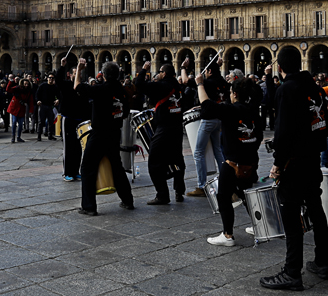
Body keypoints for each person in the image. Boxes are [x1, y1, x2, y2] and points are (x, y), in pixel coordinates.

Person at [259, 47, 328, 290]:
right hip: (313, 159)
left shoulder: (287, 89)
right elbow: (325, 122)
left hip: (294, 163)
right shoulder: (315, 88)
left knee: (291, 218)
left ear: (280, 67)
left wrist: (278, 164)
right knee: (316, 209)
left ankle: (292, 272)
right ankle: (322, 262)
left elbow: (283, 132)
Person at [196, 73, 261, 245]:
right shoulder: (254, 110)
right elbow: (259, 136)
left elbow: (207, 106)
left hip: (233, 163)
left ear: (234, 94)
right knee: (245, 194)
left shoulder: (231, 110)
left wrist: (200, 84)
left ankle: (227, 235)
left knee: (223, 196)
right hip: (251, 162)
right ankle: (259, 226)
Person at [73, 59, 135, 215]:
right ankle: (128, 200)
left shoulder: (101, 89)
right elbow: (125, 112)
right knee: (117, 167)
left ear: (104, 75)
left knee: (87, 167)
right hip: (115, 133)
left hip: (100, 133)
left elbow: (77, 87)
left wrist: (79, 70)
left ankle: (89, 206)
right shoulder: (122, 91)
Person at [136, 61, 189, 205]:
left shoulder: (162, 86)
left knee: (154, 161)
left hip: (164, 128)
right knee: (177, 159)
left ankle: (162, 194)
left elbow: (139, 85)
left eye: (160, 71)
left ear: (164, 73)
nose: (158, 73)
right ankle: (179, 191)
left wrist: (144, 70)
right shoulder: (178, 86)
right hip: (177, 127)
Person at [186, 58, 228, 197]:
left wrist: (183, 67)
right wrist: (218, 65)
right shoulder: (222, 82)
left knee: (198, 152)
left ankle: (201, 185)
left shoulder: (207, 83)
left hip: (208, 118)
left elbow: (186, 81)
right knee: (218, 150)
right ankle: (225, 181)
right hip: (219, 119)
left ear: (208, 71)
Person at [56, 60, 85, 181]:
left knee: (78, 147)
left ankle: (75, 171)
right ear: (71, 75)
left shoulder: (82, 87)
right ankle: (67, 172)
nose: (77, 75)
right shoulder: (66, 85)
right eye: (75, 73)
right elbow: (57, 80)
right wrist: (62, 66)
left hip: (79, 120)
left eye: (79, 73)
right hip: (68, 119)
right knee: (69, 147)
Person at [6, 78, 34, 143]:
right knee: (14, 122)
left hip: (21, 108)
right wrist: (11, 81)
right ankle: (13, 137)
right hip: (15, 107)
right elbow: (8, 89)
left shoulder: (29, 92)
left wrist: (31, 111)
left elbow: (31, 102)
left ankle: (18, 137)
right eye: (25, 84)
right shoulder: (17, 88)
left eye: (27, 84)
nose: (26, 85)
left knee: (21, 124)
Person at [35, 73, 58, 141]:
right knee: (41, 122)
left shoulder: (55, 87)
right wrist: (38, 100)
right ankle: (39, 136)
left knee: (51, 122)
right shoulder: (43, 85)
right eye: (50, 77)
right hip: (43, 105)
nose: (51, 79)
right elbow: (37, 94)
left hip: (50, 106)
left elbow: (58, 95)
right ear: (47, 78)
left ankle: (50, 135)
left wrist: (57, 100)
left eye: (52, 78)